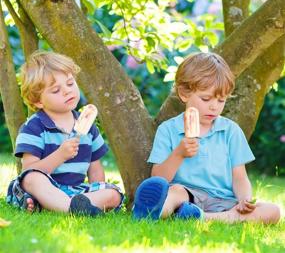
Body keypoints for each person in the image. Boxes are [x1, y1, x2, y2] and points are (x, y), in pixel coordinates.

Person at [133, 52, 280, 224]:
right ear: (184, 93)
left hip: (224, 201)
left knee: (273, 211)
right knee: (173, 193)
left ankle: (202, 217)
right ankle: (151, 210)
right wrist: (179, 153)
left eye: (221, 100)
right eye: (206, 98)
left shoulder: (231, 131)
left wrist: (244, 199)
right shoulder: (168, 130)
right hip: (186, 196)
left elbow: (239, 177)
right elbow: (158, 178)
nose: (214, 107)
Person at [6, 50, 123, 216]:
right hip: (46, 186)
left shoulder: (87, 125)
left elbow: (95, 169)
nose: (67, 91)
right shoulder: (34, 128)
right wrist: (60, 155)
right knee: (32, 179)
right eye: (55, 91)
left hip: (76, 191)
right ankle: (70, 208)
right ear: (37, 101)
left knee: (113, 193)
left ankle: (77, 205)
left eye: (70, 83)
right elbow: (28, 170)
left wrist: (97, 191)